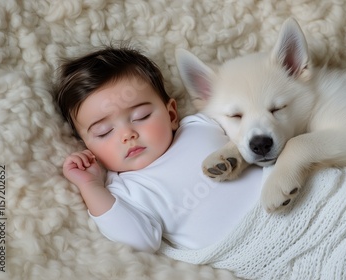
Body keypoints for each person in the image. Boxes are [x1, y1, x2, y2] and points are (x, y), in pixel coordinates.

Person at [55, 46, 262, 252]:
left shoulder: (199, 126)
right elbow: (139, 242)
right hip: (249, 254)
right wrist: (91, 186)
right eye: (104, 131)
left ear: (171, 115)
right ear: (88, 147)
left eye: (141, 116)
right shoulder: (122, 190)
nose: (127, 135)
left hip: (284, 195)